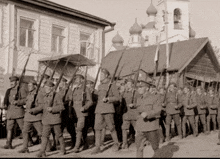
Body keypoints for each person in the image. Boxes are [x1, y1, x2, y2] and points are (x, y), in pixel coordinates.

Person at [91, 68, 120, 154]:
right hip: (99, 110)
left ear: (107, 75)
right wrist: (94, 93)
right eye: (100, 75)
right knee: (97, 128)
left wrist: (108, 99)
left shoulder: (112, 85)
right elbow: (99, 98)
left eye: (102, 75)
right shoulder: (100, 86)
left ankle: (116, 143)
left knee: (111, 128)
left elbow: (118, 98)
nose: (100, 76)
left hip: (108, 109)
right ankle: (97, 146)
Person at [36, 80, 66, 157]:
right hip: (46, 120)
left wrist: (52, 109)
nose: (45, 89)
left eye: (47, 87)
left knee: (59, 135)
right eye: (45, 87)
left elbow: (62, 107)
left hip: (55, 120)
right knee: (44, 136)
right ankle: (42, 151)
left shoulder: (57, 95)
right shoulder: (45, 96)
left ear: (51, 88)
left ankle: (63, 149)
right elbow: (42, 107)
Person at [134, 80, 161, 158]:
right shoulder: (139, 99)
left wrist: (148, 114)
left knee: (155, 148)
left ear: (147, 88)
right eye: (138, 87)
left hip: (151, 127)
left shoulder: (155, 97)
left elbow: (158, 109)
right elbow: (138, 114)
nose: (139, 89)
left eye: (141, 87)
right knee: (139, 148)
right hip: (140, 128)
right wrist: (136, 127)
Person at [68, 74, 93, 153]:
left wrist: (84, 107)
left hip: (82, 113)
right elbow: (71, 101)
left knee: (79, 129)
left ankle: (77, 146)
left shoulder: (85, 89)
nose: (76, 80)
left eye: (78, 79)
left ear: (82, 80)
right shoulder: (74, 89)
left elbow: (90, 101)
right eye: (75, 79)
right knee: (77, 129)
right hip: (74, 112)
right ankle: (84, 143)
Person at [2, 76, 28, 149]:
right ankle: (8, 143)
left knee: (23, 129)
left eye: (13, 82)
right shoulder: (8, 90)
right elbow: (6, 100)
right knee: (9, 128)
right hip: (10, 112)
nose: (11, 83)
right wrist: (4, 105)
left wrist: (18, 102)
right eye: (10, 82)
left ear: (17, 82)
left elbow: (26, 100)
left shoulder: (21, 90)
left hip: (19, 112)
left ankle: (28, 143)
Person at [18, 79, 43, 153]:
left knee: (41, 133)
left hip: (36, 117)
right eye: (28, 85)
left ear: (35, 86)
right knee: (25, 132)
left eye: (30, 85)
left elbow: (41, 106)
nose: (28, 87)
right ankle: (25, 148)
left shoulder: (39, 94)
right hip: (28, 117)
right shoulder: (29, 94)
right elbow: (25, 101)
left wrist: (34, 110)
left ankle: (47, 147)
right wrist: (17, 102)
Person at [121, 78, 138, 149]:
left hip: (134, 114)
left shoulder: (136, 92)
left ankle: (139, 142)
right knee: (124, 128)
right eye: (127, 84)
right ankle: (125, 143)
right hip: (126, 114)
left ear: (132, 84)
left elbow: (140, 103)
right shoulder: (124, 93)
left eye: (129, 84)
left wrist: (134, 105)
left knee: (137, 129)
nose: (128, 85)